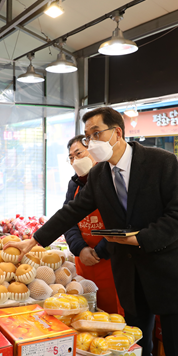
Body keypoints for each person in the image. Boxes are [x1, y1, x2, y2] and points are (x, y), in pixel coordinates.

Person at [6, 107, 178, 356]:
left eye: (96, 133)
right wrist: (34, 239)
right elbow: (73, 211)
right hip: (130, 277)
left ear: (117, 133)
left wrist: (142, 238)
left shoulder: (161, 161)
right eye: (88, 137)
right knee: (135, 351)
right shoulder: (99, 175)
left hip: (169, 274)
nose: (91, 142)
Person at [64, 134, 122, 315]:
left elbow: (122, 223)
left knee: (113, 315)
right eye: (71, 157)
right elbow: (67, 219)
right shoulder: (75, 184)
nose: (75, 160)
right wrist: (80, 248)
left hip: (111, 260)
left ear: (93, 151)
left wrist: (98, 252)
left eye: (79, 153)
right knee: (86, 311)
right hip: (83, 262)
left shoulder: (114, 180)